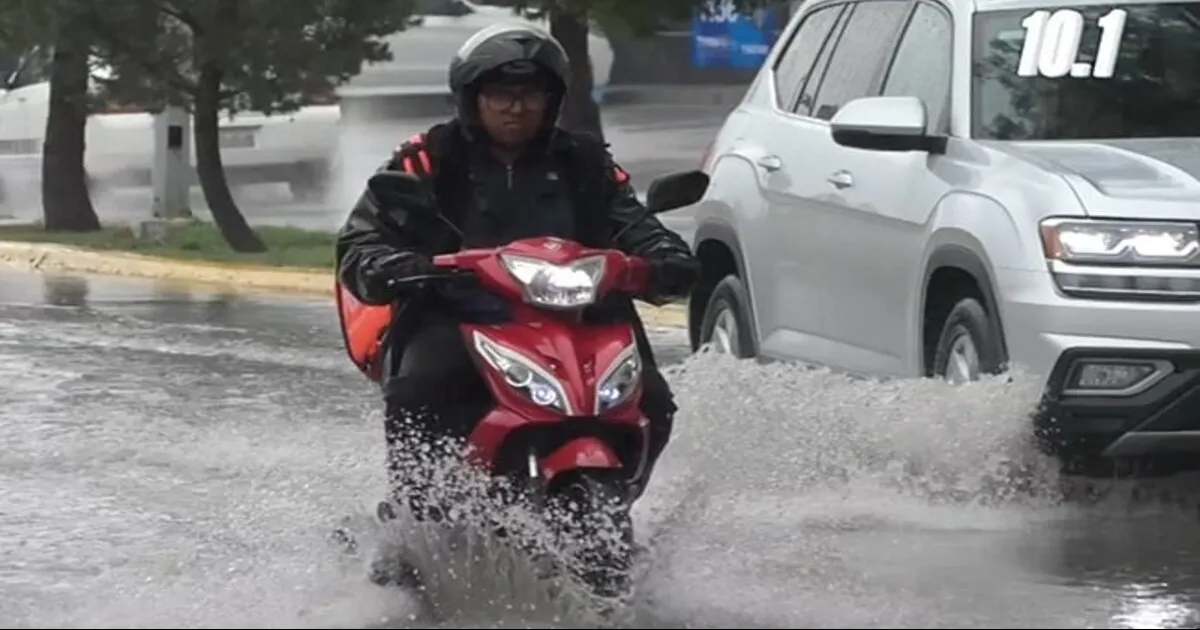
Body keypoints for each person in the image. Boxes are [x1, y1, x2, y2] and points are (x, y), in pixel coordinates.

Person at [334, 23, 699, 524]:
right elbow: (363, 237)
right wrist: (392, 264)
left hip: (579, 314)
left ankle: (618, 496)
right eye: (501, 94)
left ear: (552, 100)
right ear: (473, 97)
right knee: (421, 387)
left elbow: (631, 221)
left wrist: (664, 257)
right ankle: (413, 518)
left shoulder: (585, 161)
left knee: (652, 398)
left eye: (531, 94)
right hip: (461, 310)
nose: (516, 107)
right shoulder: (426, 158)